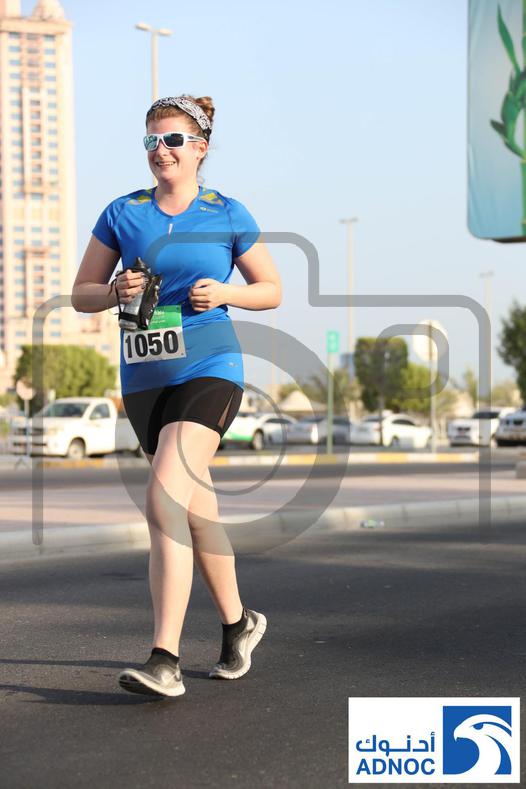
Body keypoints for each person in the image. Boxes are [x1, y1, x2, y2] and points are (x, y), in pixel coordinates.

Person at [71, 94, 281, 698]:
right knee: (194, 510)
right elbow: (82, 293)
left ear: (200, 148)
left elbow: (270, 289)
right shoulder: (123, 212)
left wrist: (227, 293)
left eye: (172, 140)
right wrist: (114, 291)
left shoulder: (227, 212)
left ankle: (164, 657)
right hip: (145, 377)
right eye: (151, 141)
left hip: (211, 366)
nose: (160, 150)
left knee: (164, 496)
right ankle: (239, 624)